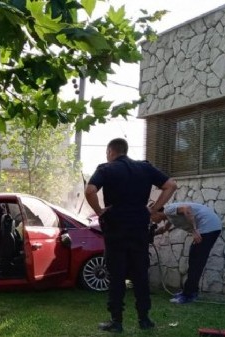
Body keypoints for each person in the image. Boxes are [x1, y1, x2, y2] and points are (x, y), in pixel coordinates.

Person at [85, 138, 177, 333]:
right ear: (125, 151)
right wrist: (156, 209)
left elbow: (90, 190)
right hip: (139, 227)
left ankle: (116, 321)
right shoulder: (144, 168)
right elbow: (171, 185)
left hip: (116, 227)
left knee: (116, 275)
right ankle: (144, 319)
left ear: (111, 151)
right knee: (140, 274)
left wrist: (100, 211)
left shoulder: (106, 169)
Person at [151, 202, 222, 304]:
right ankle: (190, 292)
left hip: (208, 227)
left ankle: (188, 295)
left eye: (151, 216)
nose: (151, 219)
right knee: (195, 260)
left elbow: (186, 208)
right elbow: (164, 229)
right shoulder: (170, 216)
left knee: (196, 262)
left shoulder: (168, 209)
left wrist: (194, 230)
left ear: (157, 213)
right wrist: (151, 233)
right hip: (210, 227)